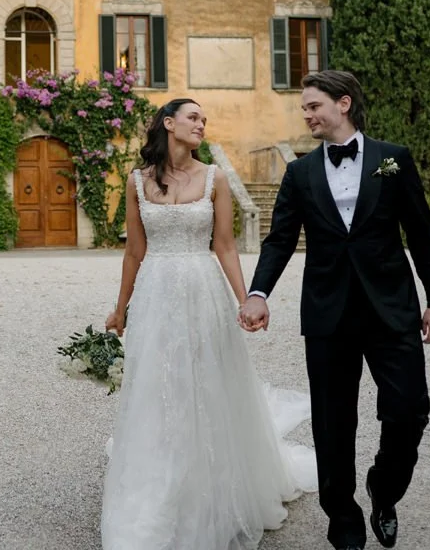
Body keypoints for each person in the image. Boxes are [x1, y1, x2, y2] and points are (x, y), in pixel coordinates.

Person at [240, 70, 430, 550]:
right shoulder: (299, 173)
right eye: (304, 108)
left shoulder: (393, 159)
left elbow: (421, 235)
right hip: (328, 314)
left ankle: (384, 486)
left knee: (409, 409)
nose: (307, 114)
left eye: (314, 105)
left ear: (344, 103)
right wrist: (258, 292)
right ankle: (344, 519)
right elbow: (279, 240)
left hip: (391, 310)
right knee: (333, 421)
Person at [100, 98, 316, 550]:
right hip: (157, 294)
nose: (201, 124)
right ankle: (160, 484)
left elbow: (225, 247)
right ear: (169, 123)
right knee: (159, 388)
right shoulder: (137, 180)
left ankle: (215, 485)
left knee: (209, 383)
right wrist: (120, 309)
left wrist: (247, 300)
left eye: (204, 119)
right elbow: (134, 251)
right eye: (193, 117)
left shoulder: (214, 178)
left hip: (203, 292)